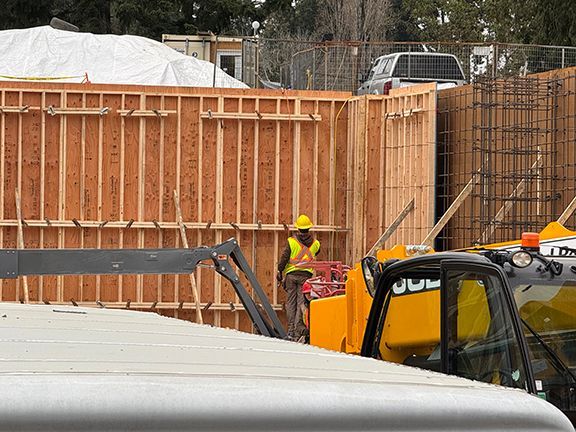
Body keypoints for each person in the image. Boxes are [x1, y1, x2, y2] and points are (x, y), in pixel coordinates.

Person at [277, 214, 320, 341]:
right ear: (309, 229)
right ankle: (297, 332)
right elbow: (316, 252)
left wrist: (279, 270)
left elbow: (284, 257)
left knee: (291, 304)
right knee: (302, 304)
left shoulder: (291, 242)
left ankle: (291, 332)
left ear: (298, 229)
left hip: (291, 275)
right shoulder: (316, 244)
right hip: (305, 277)